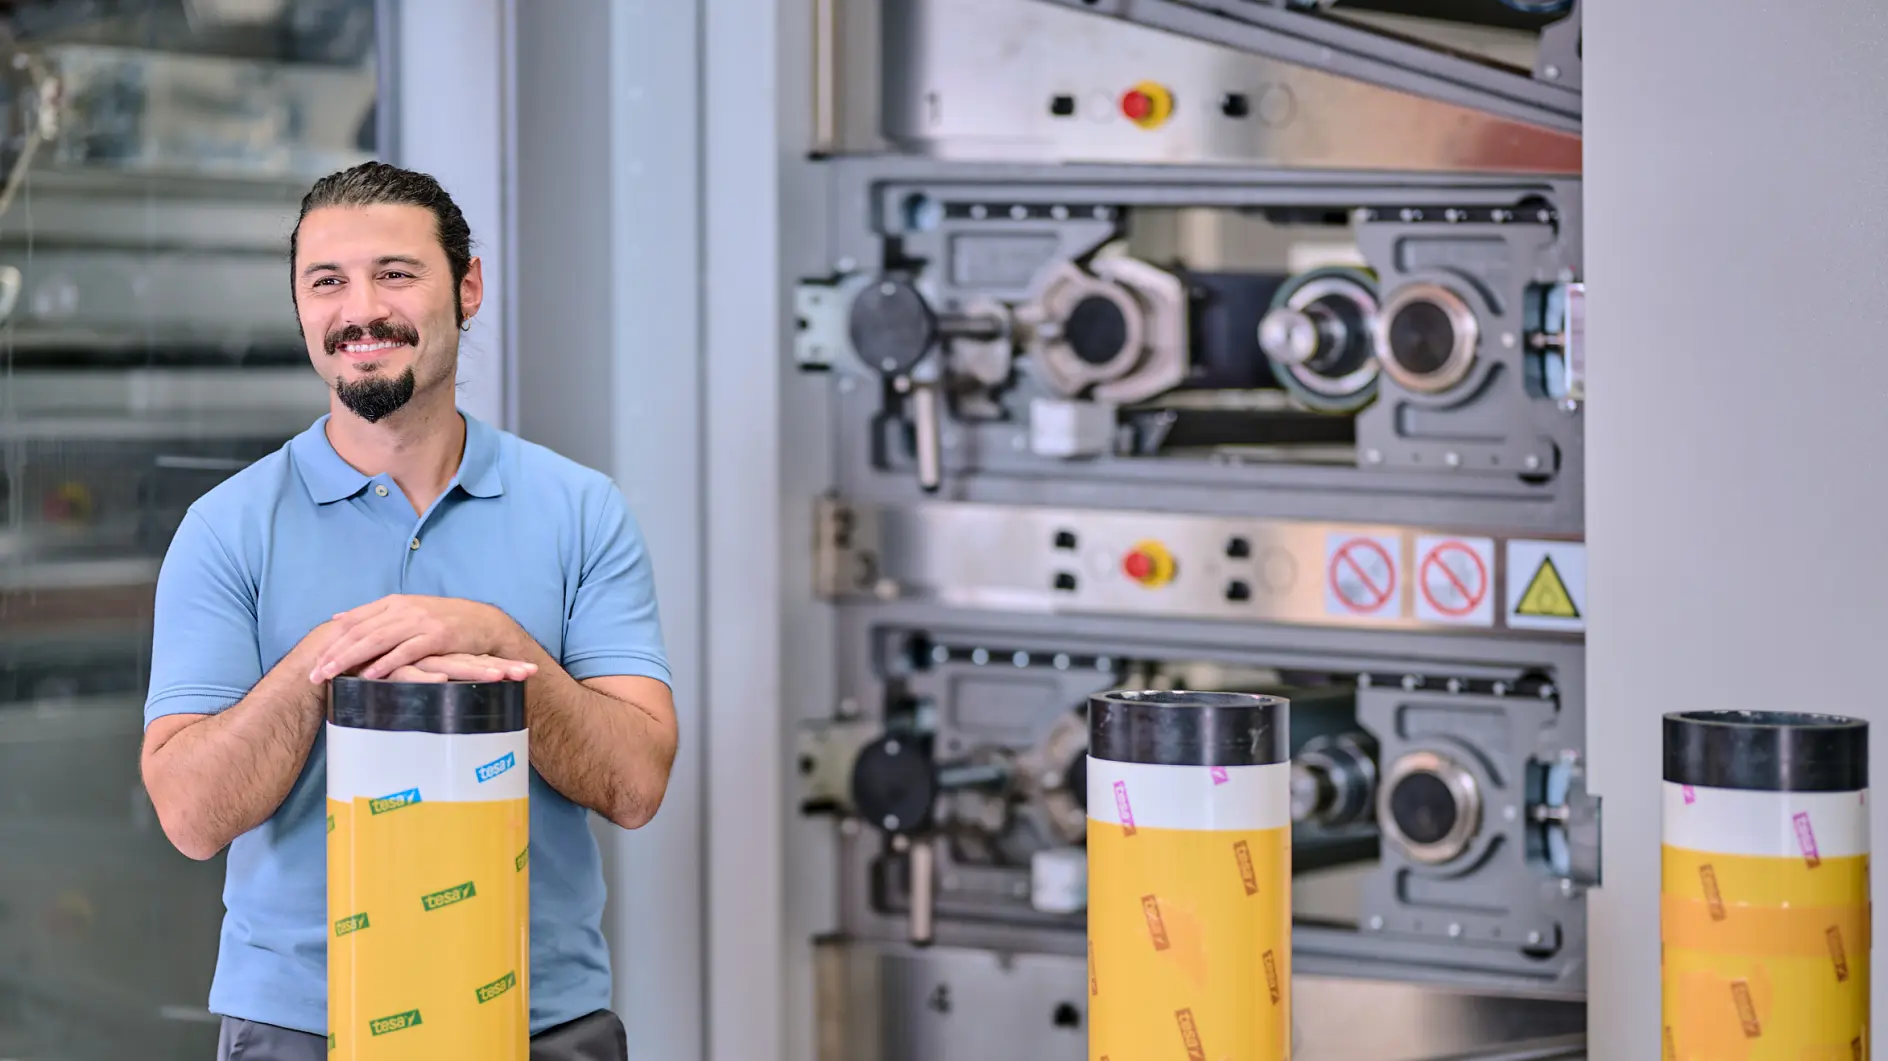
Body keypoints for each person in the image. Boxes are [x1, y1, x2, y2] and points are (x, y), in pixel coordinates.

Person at [137, 161, 677, 1061]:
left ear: (467, 287)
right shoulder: (226, 528)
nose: (361, 310)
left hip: (538, 1019)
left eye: (395, 273)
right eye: (327, 281)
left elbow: (635, 785)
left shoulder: (582, 511)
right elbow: (190, 817)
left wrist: (500, 643)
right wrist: (327, 659)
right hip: (302, 1026)